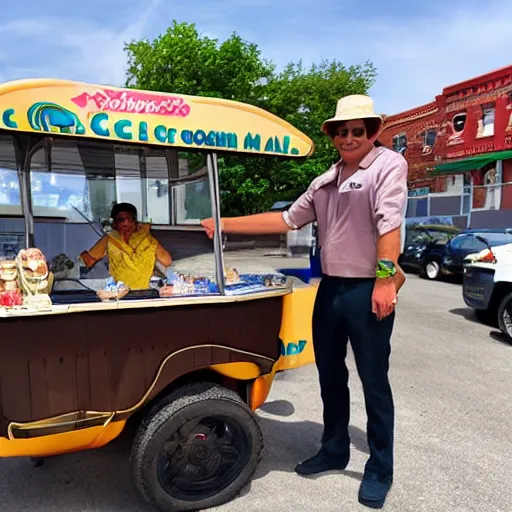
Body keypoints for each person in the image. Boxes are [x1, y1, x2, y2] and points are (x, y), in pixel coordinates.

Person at [201, 94, 408, 509]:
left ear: (372, 132)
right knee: (330, 375)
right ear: (333, 136)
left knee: (373, 380)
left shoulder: (388, 165)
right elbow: (285, 219)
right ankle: (334, 449)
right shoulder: (325, 179)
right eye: (341, 132)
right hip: (330, 288)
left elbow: (390, 225)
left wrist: (386, 282)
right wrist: (223, 223)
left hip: (369, 288)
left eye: (357, 131)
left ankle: (380, 467)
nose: (349, 138)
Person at [80, 202, 172, 290]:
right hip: (123, 293)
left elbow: (167, 261)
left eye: (130, 218)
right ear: (114, 222)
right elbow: (88, 261)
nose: (126, 222)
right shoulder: (109, 240)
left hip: (141, 293)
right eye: (121, 219)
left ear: (135, 221)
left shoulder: (148, 239)